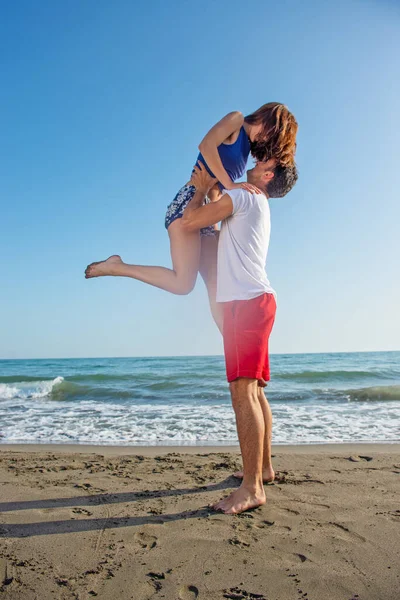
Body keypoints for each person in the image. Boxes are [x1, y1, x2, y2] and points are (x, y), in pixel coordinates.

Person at [84, 103, 298, 332]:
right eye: (272, 138)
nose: (265, 145)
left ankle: (232, 348)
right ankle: (117, 267)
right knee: (183, 284)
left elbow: (215, 189)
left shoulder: (245, 153)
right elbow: (206, 146)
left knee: (218, 287)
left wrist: (218, 219)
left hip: (206, 208)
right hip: (188, 201)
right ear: (270, 123)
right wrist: (230, 185)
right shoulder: (236, 120)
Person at [182, 159, 298, 514]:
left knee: (242, 390)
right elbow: (218, 222)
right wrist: (218, 190)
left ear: (268, 175)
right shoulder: (250, 201)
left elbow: (190, 222)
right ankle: (263, 469)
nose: (255, 157)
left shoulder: (247, 198)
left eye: (264, 160)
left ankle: (253, 488)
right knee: (255, 390)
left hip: (246, 304)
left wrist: (201, 190)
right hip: (256, 302)